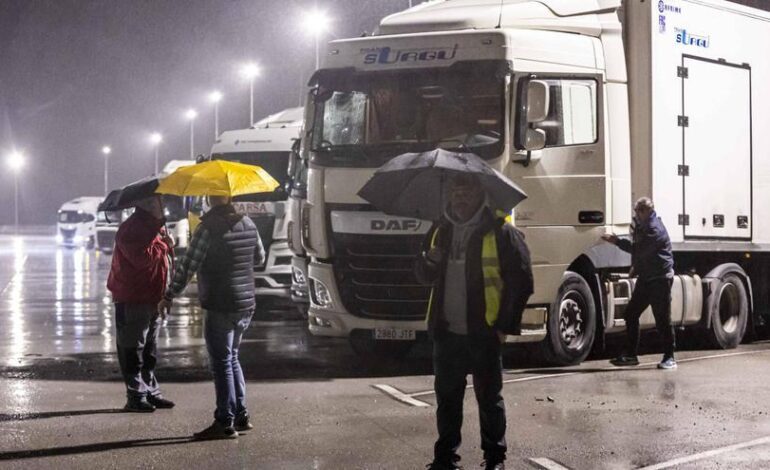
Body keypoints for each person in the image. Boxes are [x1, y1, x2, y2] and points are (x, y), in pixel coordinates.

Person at [415, 173, 533, 470]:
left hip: (484, 330)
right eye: (455, 190)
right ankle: (445, 458)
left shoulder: (500, 230)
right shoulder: (440, 230)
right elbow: (422, 276)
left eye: (466, 190)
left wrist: (505, 326)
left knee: (489, 399)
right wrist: (429, 260)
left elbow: (522, 281)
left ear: (480, 194)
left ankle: (495, 459)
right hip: (447, 330)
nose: (460, 196)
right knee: (447, 400)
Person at [158, 195, 264, 440]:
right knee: (233, 357)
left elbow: (187, 267)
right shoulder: (249, 223)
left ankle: (224, 421)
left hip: (220, 302)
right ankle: (241, 415)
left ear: (209, 199)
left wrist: (169, 295)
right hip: (246, 302)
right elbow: (259, 258)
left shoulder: (206, 229)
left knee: (222, 362)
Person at [107, 195, 176, 412]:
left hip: (153, 297)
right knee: (132, 349)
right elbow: (141, 258)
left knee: (149, 350)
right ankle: (135, 395)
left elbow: (163, 261)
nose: (163, 204)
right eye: (159, 201)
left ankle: (150, 391)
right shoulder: (132, 228)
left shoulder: (155, 227)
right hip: (133, 298)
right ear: (147, 205)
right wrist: (165, 246)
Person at [602, 197, 677, 370]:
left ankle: (670, 357)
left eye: (638, 211)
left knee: (662, 319)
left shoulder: (654, 228)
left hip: (660, 279)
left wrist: (617, 242)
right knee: (631, 314)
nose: (636, 214)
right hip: (647, 278)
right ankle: (630, 355)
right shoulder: (643, 226)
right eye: (635, 211)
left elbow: (640, 250)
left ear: (647, 211)